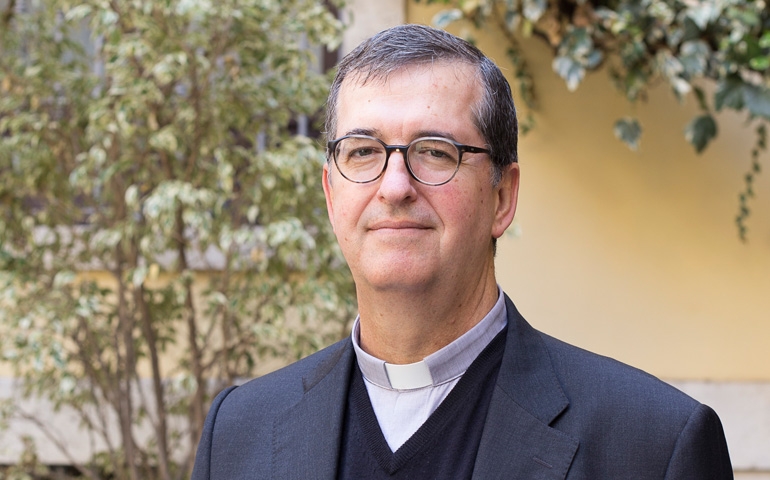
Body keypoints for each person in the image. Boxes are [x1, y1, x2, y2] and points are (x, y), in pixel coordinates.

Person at [191, 24, 733, 479]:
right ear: (332, 196)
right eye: (362, 152)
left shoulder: (652, 446)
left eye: (434, 152)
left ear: (503, 196)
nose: (395, 186)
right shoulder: (241, 435)